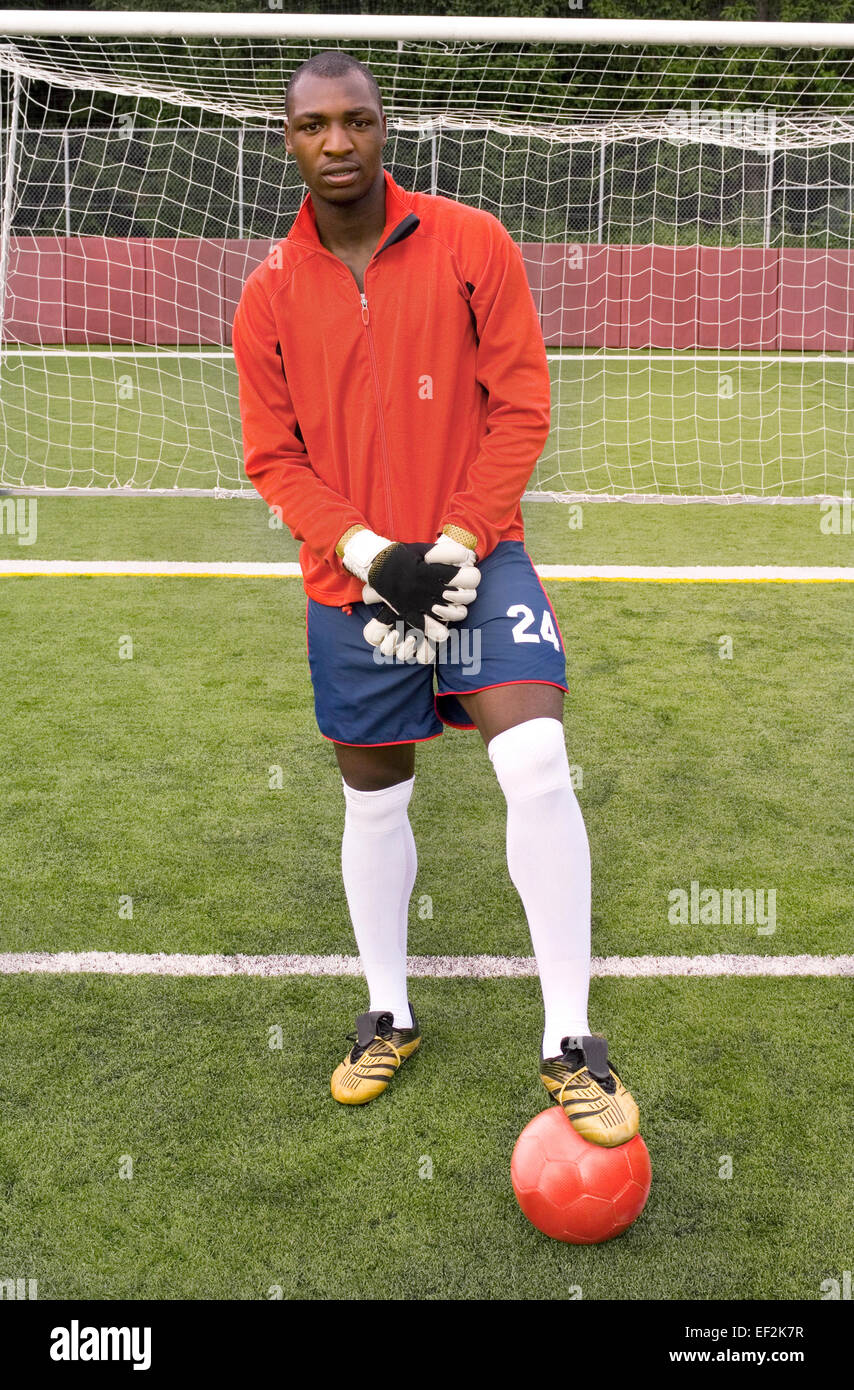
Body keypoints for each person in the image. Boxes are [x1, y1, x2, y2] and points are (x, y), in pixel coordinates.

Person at [232, 50, 638, 1146]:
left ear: (382, 127)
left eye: (354, 122)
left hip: (478, 554)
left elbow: (519, 405)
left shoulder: (471, 243)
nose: (336, 144)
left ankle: (570, 1037)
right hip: (351, 581)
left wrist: (455, 543)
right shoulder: (268, 290)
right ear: (288, 140)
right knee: (375, 800)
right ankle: (390, 1012)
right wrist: (373, 555)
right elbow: (273, 458)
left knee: (534, 757)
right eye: (312, 126)